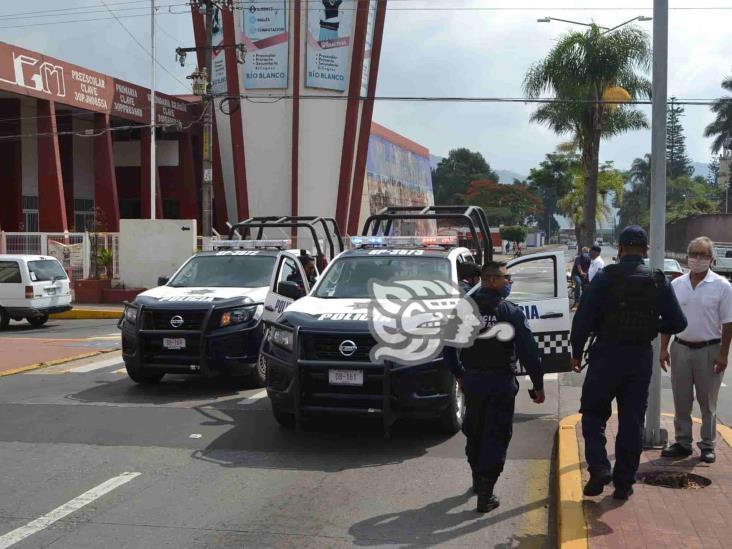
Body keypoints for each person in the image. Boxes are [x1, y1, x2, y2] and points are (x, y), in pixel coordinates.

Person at [571, 225, 687, 500]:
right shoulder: (658, 281)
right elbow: (679, 322)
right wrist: (652, 324)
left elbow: (583, 319)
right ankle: (624, 484)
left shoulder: (605, 277)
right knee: (632, 421)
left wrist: (576, 353)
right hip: (639, 358)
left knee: (593, 414)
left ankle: (599, 466)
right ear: (646, 250)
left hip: (605, 356)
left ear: (620, 249)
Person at [444, 261, 545, 513]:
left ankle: (479, 480)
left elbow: (449, 349)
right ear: (490, 280)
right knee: (496, 435)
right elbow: (530, 352)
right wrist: (538, 384)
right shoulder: (509, 311)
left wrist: (459, 374)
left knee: (475, 430)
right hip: (500, 382)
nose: (509, 282)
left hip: (474, 382)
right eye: (505, 278)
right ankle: (486, 493)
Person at [660, 237, 732, 463]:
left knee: (707, 401)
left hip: (709, 350)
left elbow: (729, 323)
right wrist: (664, 349)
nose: (698, 259)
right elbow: (668, 320)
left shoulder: (722, 286)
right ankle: (682, 442)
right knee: (681, 399)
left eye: (703, 255)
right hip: (680, 348)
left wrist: (724, 354)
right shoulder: (676, 285)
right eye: (694, 254)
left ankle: (707, 444)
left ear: (711, 259)